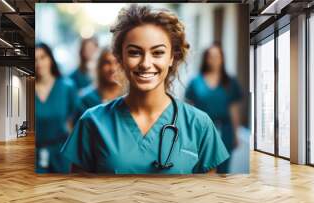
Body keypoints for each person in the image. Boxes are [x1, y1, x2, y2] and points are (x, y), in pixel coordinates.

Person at [61, 4, 229, 174]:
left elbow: (207, 195)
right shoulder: (92, 122)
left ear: (172, 57)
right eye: (134, 52)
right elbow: (78, 194)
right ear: (120, 57)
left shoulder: (199, 124)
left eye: (158, 53)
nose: (146, 64)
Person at [185, 43, 242, 173]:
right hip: (202, 131)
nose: (214, 60)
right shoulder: (195, 81)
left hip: (225, 131)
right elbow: (189, 109)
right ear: (205, 59)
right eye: (210, 56)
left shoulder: (230, 81)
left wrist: (235, 134)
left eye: (217, 56)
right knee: (202, 168)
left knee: (223, 169)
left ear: (222, 59)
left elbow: (233, 109)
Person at [35, 43, 81, 173]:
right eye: (35, 59)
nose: (39, 63)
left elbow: (78, 121)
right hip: (35, 154)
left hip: (61, 154)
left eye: (43, 57)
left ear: (50, 59)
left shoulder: (67, 87)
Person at [79, 48, 125, 114]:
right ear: (99, 66)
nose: (113, 68)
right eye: (107, 63)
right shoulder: (87, 98)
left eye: (117, 62)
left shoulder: (130, 95)